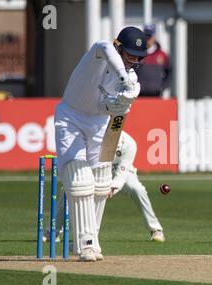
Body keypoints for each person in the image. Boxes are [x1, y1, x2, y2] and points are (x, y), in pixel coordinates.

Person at [54, 26, 147, 261]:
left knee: (101, 182)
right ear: (118, 48)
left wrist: (120, 103)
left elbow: (111, 111)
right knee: (79, 178)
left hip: (98, 124)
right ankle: (84, 244)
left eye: (139, 57)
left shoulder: (134, 82)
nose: (134, 62)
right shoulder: (98, 56)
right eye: (130, 55)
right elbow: (102, 46)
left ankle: (92, 242)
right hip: (71, 118)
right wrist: (123, 79)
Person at [44, 131, 165, 245]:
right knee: (67, 190)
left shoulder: (129, 144)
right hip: (96, 170)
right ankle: (52, 232)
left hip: (120, 173)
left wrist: (112, 188)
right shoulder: (94, 139)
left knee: (137, 189)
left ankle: (155, 230)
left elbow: (122, 174)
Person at [136, 23, 171, 97]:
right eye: (146, 36)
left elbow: (169, 72)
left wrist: (162, 87)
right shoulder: (136, 54)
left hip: (156, 95)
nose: (148, 39)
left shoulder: (162, 55)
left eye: (150, 36)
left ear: (154, 37)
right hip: (139, 96)